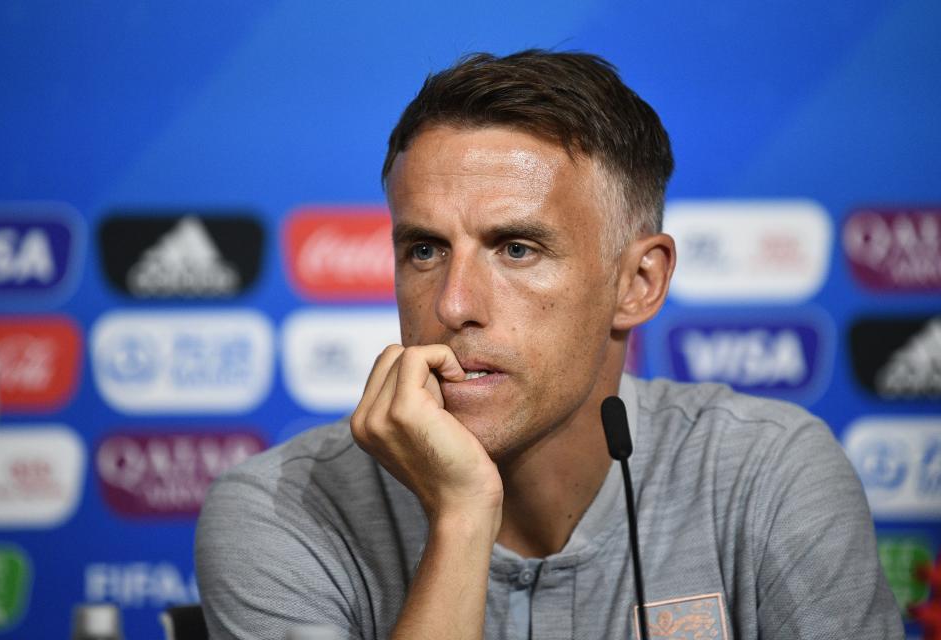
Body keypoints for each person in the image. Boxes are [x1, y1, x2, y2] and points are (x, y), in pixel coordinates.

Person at [196, 50, 903, 639]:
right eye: (423, 250)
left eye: (517, 248)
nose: (453, 303)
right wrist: (463, 518)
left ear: (639, 282)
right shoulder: (281, 508)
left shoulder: (766, 477)